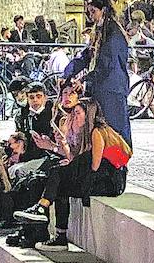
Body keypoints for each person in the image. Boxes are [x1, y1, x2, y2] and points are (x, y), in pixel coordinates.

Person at [25, 97, 131, 248]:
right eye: (74, 113)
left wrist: (72, 169)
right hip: (97, 178)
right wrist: (61, 149)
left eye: (78, 113)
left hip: (110, 183)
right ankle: (60, 236)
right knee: (59, 185)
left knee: (60, 172)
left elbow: (94, 166)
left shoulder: (98, 132)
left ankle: (42, 207)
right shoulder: (86, 133)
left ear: (89, 115)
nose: (74, 117)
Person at [64, 0, 133, 145]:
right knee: (100, 130)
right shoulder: (99, 32)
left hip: (112, 88)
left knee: (114, 129)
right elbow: (86, 56)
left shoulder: (114, 33)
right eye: (89, 12)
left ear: (104, 10)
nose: (91, 16)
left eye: (93, 12)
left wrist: (84, 79)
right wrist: (67, 73)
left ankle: (119, 158)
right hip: (100, 87)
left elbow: (107, 65)